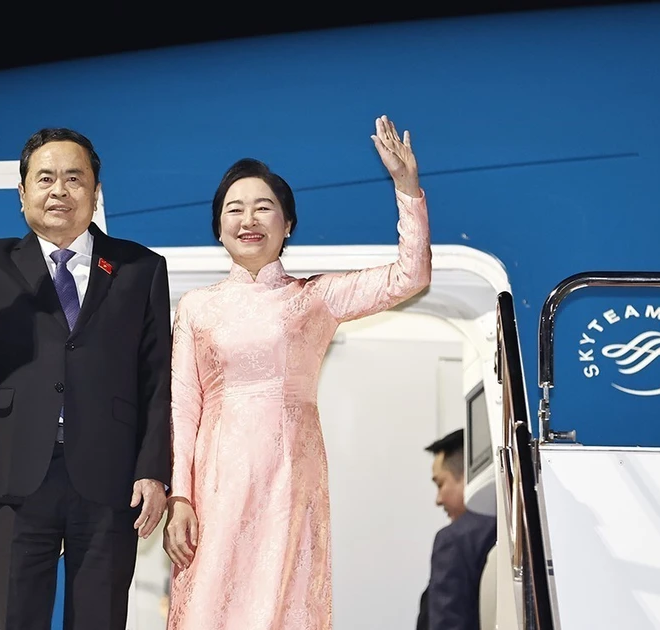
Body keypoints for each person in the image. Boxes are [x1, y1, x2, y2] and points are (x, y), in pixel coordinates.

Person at [161, 115, 433, 629]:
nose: (249, 218)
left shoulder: (313, 298)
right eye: (234, 209)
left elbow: (410, 275)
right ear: (218, 227)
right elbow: (183, 408)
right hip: (215, 482)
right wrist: (180, 497)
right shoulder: (196, 308)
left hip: (291, 476)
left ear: (288, 224)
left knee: (282, 601)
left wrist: (407, 189)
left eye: (264, 207)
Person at [0, 117, 172, 629]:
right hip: (16, 475)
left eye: (74, 178)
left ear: (95, 192)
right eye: (46, 178)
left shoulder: (142, 267)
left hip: (111, 474)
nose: (60, 190)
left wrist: (153, 469)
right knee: (13, 620)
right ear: (22, 193)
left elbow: (156, 378)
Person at [417, 429, 496, 630]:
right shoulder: (512, 527)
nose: (438, 499)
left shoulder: (455, 540)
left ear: (466, 476)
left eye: (440, 484)